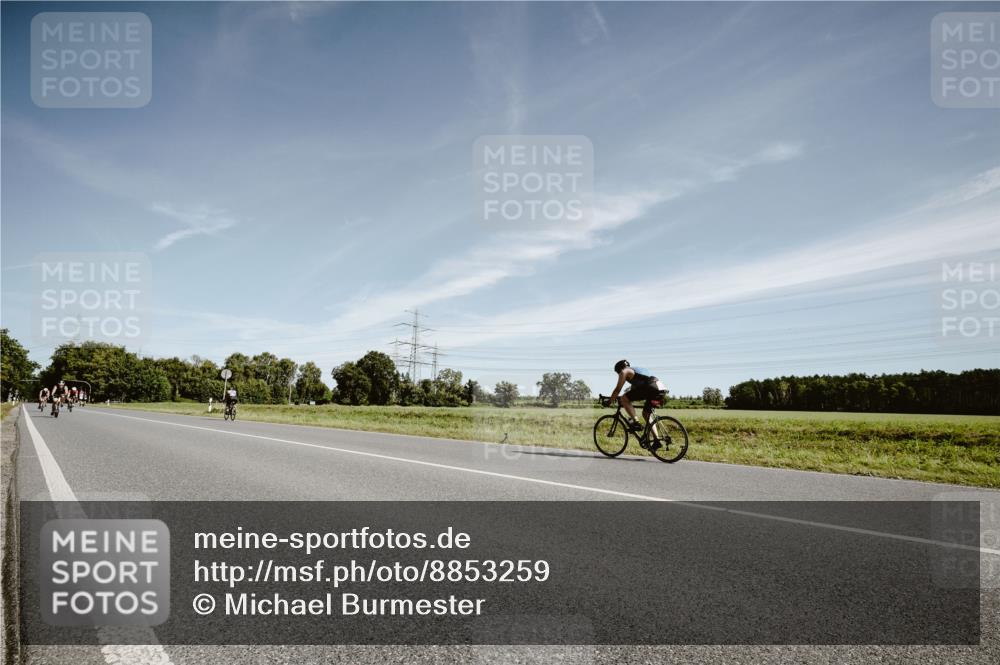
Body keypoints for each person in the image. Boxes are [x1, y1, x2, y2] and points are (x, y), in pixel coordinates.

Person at [607, 360, 667, 441]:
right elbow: (632, 392)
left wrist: (610, 401)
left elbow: (617, 390)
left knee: (624, 398)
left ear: (619, 370)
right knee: (646, 414)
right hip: (660, 388)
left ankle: (636, 423)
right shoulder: (635, 372)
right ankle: (657, 440)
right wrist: (624, 401)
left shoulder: (624, 371)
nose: (619, 375)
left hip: (651, 387)